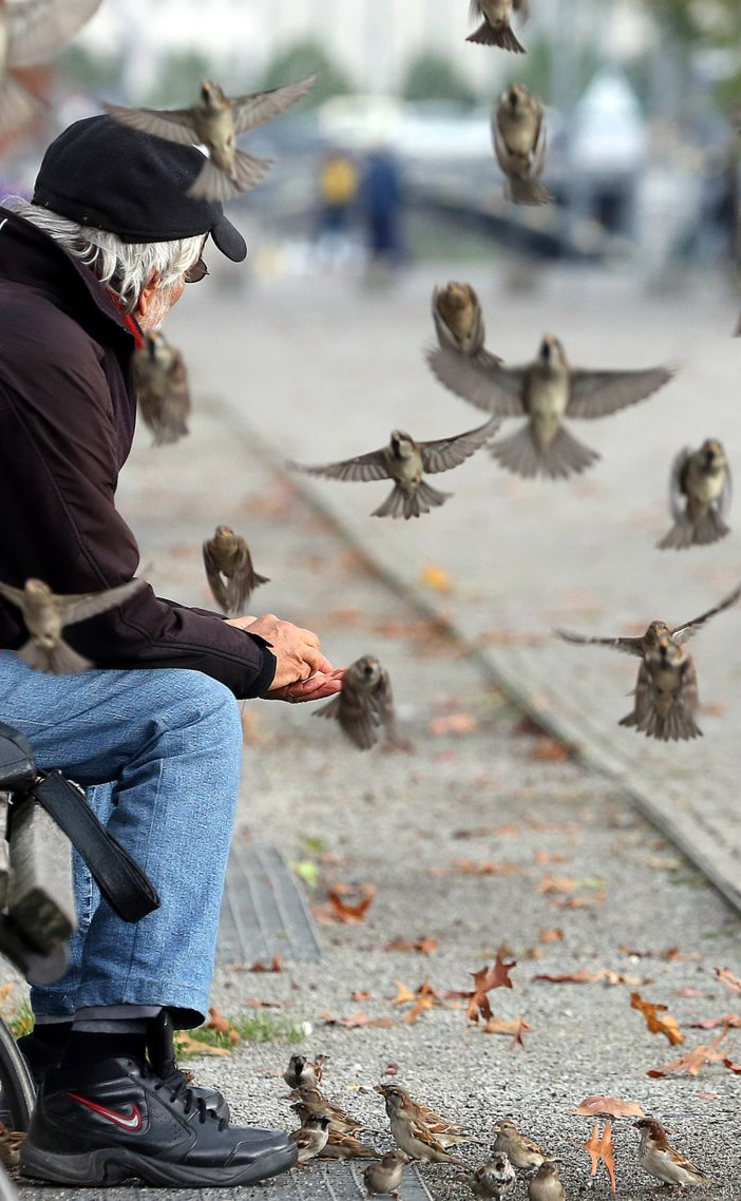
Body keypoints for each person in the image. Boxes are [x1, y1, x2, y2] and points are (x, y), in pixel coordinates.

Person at [0, 116, 344, 1187]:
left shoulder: (30, 310)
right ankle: (104, 1081)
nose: (189, 290)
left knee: (142, 681)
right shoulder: (37, 348)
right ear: (141, 262)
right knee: (184, 710)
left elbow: (68, 590)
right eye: (191, 269)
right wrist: (247, 655)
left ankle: (80, 1049)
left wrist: (221, 636)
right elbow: (102, 613)